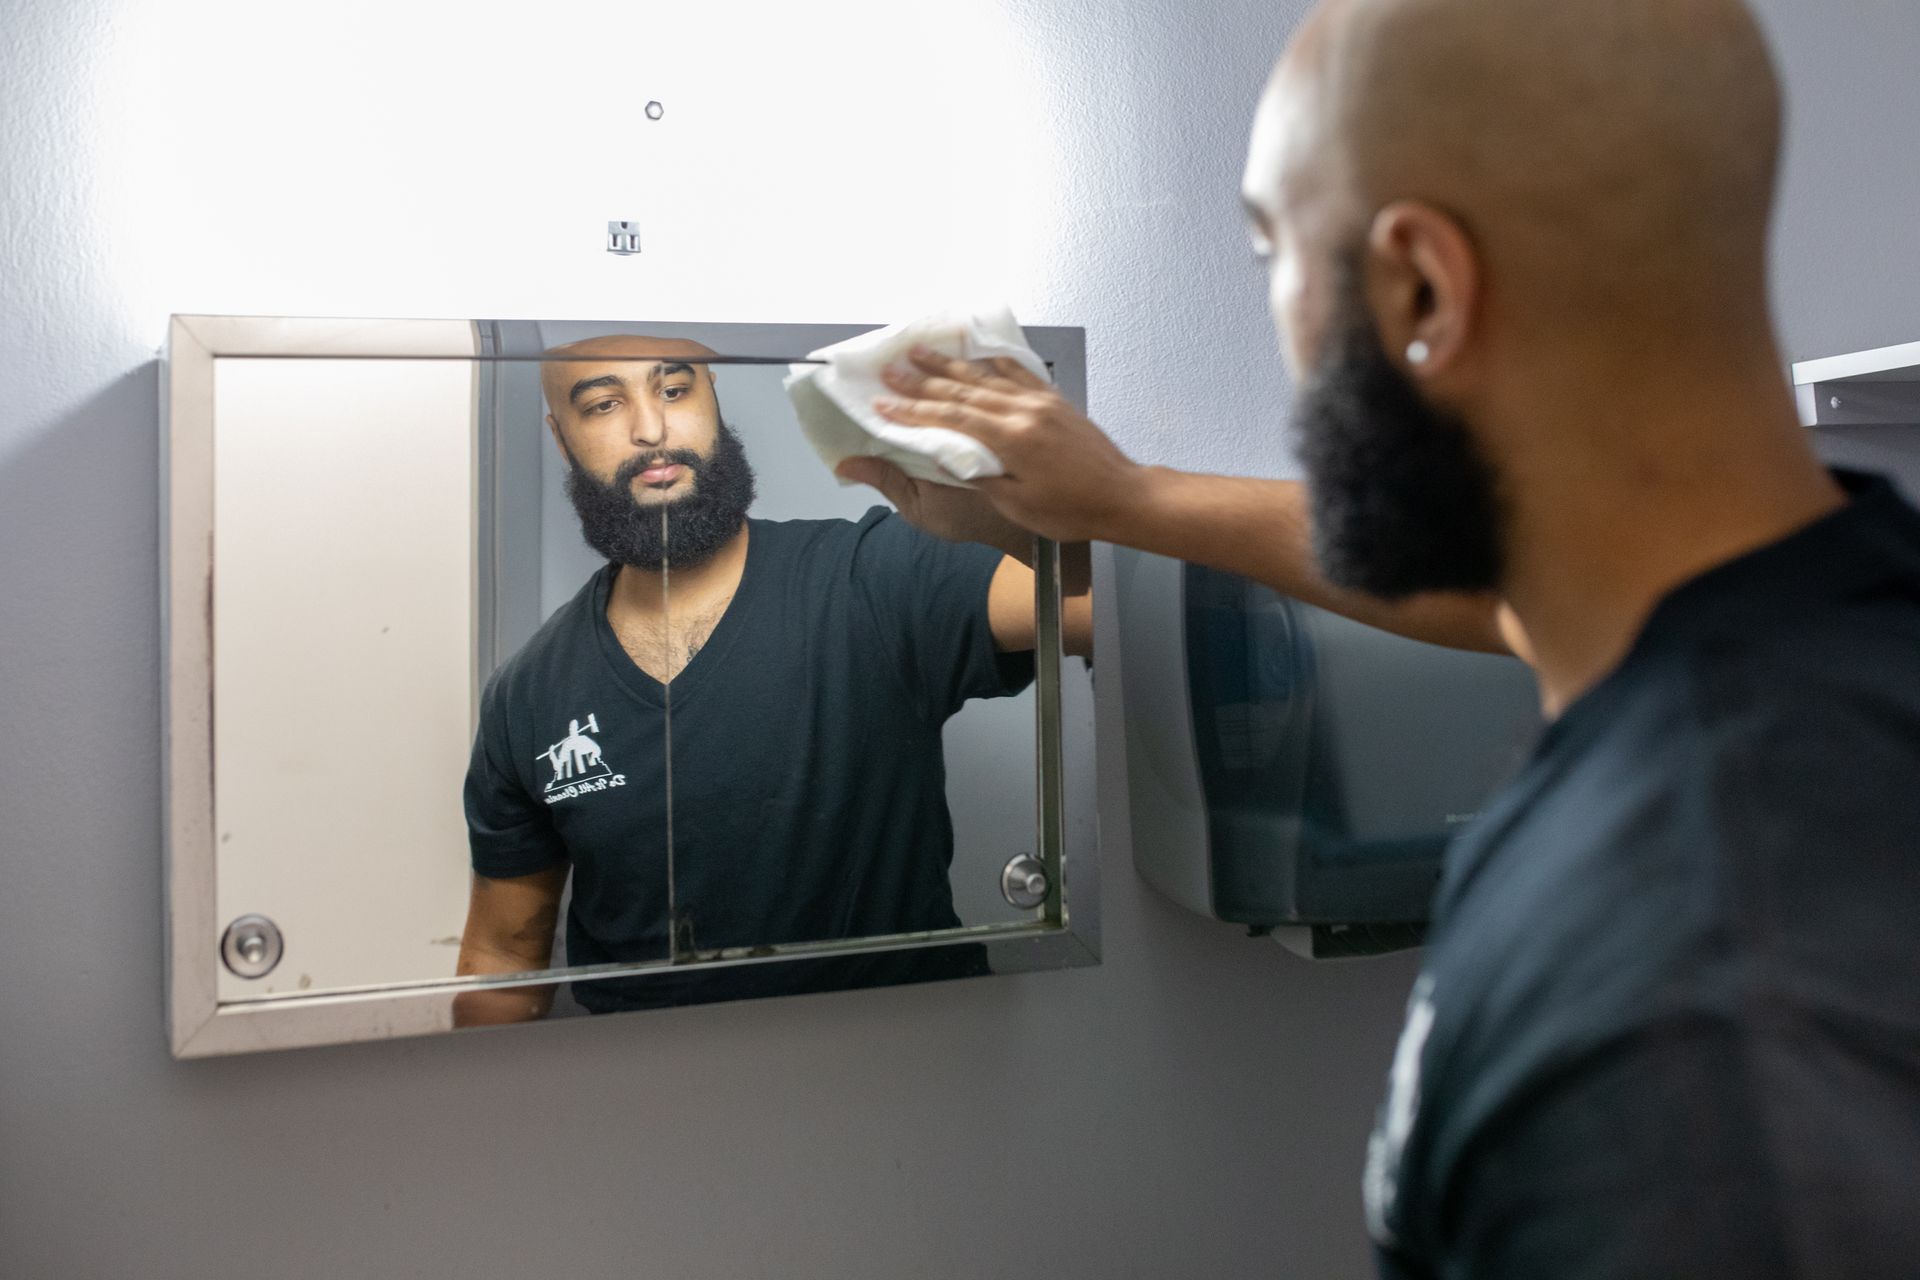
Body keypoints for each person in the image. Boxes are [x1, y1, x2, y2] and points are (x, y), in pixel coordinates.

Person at [851, 0, 1920, 1275]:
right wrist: (1124, 500)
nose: (1280, 319)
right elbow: (1517, 586)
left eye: (1272, 256)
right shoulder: (1827, 631)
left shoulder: (1674, 1016)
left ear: (1421, 284)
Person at [454, 335, 1090, 1025]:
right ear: (561, 436)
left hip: (909, 1076)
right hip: (641, 1093)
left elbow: (1097, 604)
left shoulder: (874, 578)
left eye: (675, 390)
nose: (652, 428)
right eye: (605, 405)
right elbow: (503, 956)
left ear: (714, 398)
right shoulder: (529, 693)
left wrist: (1008, 504)